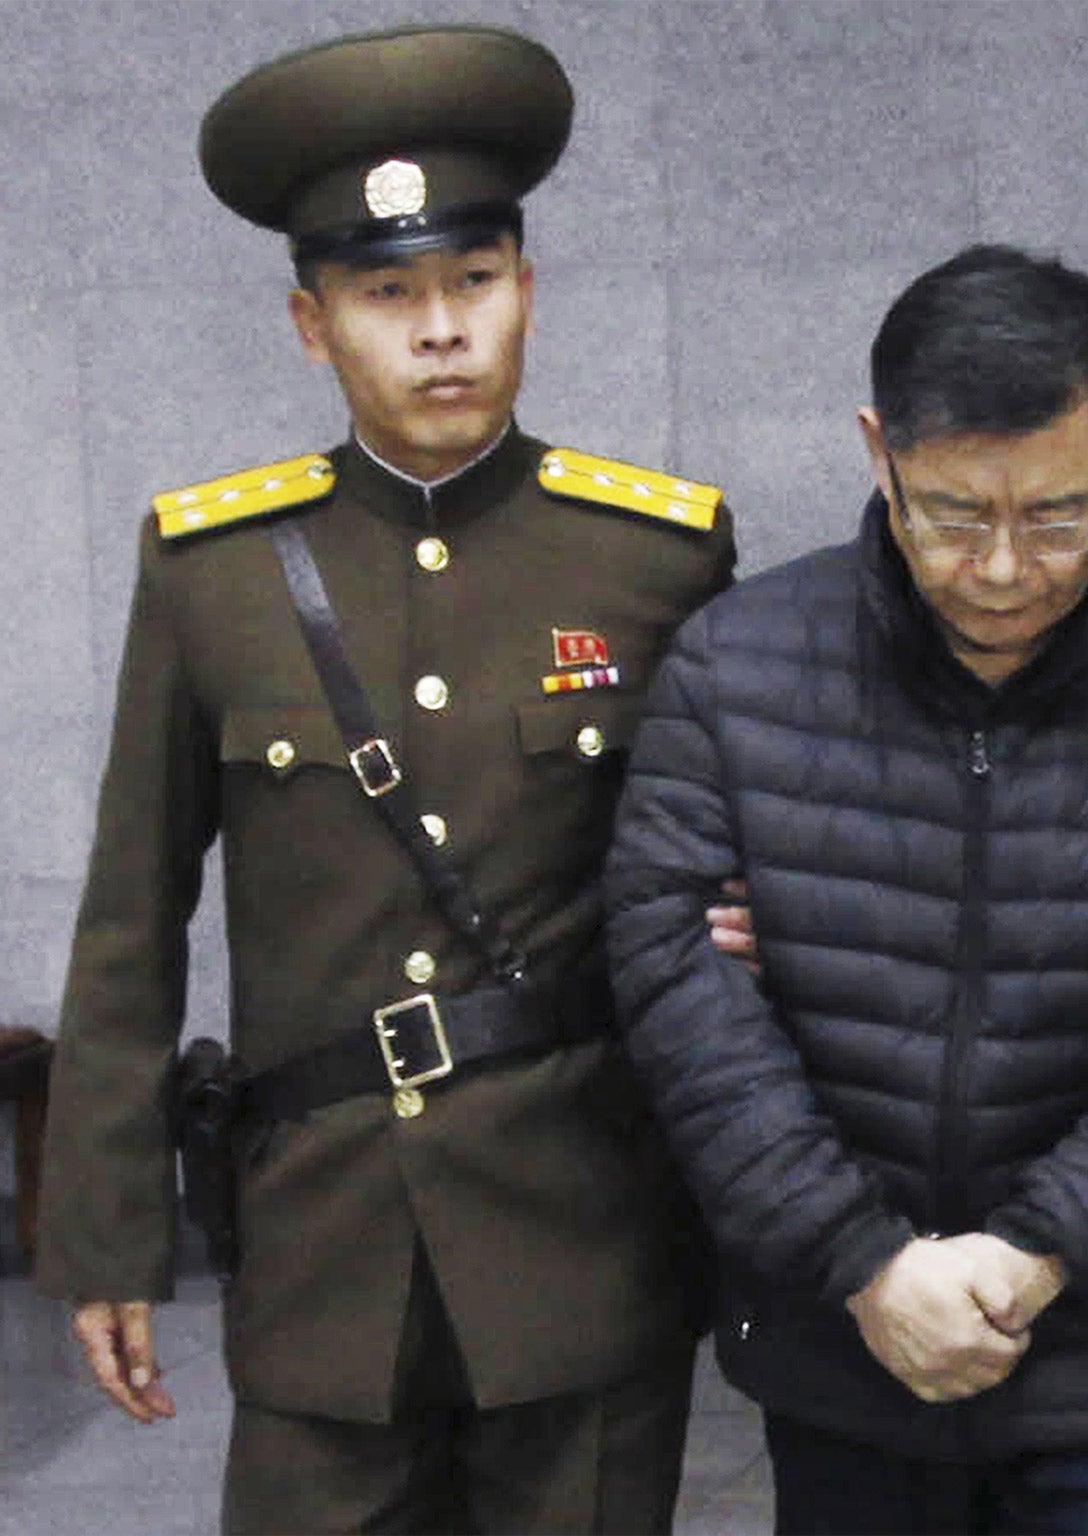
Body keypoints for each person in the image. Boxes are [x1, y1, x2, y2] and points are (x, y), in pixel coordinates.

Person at [35, 25, 734, 1534]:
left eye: (474, 283)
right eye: (387, 293)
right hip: (322, 1252)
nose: (439, 332)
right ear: (310, 323)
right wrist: (103, 1234)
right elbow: (129, 919)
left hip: (584, 1239)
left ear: (527, 293)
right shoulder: (211, 571)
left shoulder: (658, 556)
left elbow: (719, 878)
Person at [605, 243, 1088, 1535]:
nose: (1004, 568)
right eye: (952, 513)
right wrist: (866, 1265)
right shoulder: (738, 672)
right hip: (848, 1358)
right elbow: (681, 998)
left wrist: (1027, 1257)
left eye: (1059, 513)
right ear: (877, 451)